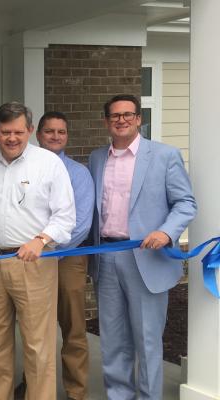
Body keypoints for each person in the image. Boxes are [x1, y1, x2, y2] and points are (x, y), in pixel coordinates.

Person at [88, 94, 196, 399]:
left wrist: (166, 232)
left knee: (147, 340)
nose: (121, 120)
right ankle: (119, 395)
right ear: (106, 121)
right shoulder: (97, 158)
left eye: (128, 114)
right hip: (106, 257)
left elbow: (185, 203)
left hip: (147, 258)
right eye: (115, 115)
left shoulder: (164, 155)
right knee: (112, 339)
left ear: (138, 119)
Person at [0, 102, 75, 400]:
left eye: (19, 132)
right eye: (5, 132)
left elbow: (66, 215)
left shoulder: (48, 163)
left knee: (38, 345)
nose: (12, 138)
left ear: (30, 130)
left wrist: (41, 240)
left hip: (35, 262)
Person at [14, 112, 95, 400]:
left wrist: (47, 248)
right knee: (34, 328)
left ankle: (76, 390)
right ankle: (32, 383)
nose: (56, 136)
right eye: (50, 131)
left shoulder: (79, 173)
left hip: (67, 258)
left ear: (67, 136)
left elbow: (81, 222)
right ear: (39, 134)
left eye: (61, 132)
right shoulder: (27, 168)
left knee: (72, 326)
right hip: (31, 259)